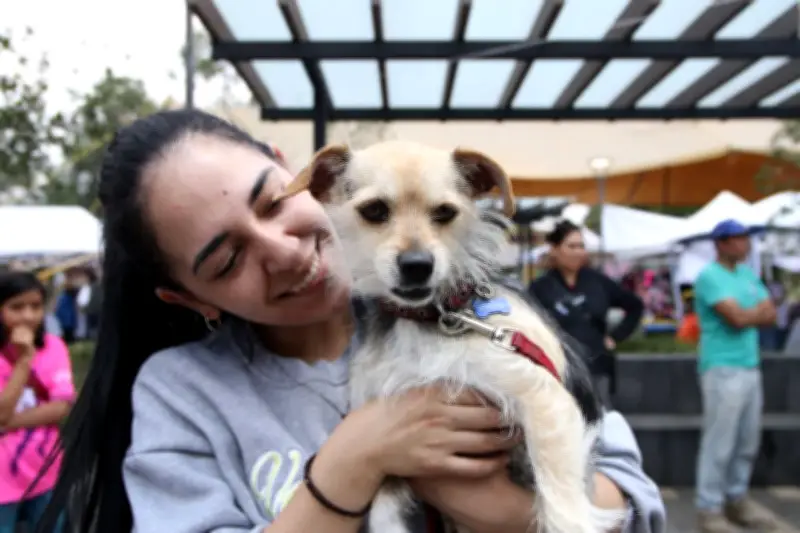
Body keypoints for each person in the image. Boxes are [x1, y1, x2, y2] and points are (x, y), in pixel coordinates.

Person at [39, 110, 665, 533]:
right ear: (187, 297)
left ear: (305, 175)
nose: (283, 251)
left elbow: (631, 491)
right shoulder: (182, 393)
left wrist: (501, 510)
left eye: (272, 201)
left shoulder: (477, 315)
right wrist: (353, 462)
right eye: (228, 259)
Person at [693, 220, 778, 533]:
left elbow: (771, 313)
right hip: (721, 368)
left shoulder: (747, 274)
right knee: (720, 441)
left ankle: (736, 498)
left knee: (746, 440)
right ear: (722, 243)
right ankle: (709, 507)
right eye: (740, 239)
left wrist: (751, 315)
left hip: (749, 365)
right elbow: (739, 318)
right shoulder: (709, 277)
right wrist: (754, 314)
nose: (747, 244)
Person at [528, 220, 644, 407]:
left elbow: (635, 306)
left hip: (596, 367)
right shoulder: (541, 287)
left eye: (581, 246)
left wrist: (616, 336)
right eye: (571, 246)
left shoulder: (598, 282)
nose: (578, 252)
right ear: (555, 249)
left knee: (599, 423)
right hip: (558, 370)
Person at [0, 272, 74, 533]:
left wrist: (8, 423)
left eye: (35, 306)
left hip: (45, 469)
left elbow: (62, 407)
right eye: (16, 307)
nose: (28, 316)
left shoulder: (53, 346)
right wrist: (23, 361)